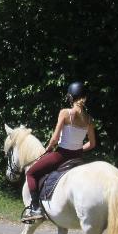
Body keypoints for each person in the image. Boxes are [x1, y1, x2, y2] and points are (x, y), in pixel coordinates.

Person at [22, 82, 96, 221]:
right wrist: (79, 149)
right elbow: (92, 144)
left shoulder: (65, 113)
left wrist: (47, 150)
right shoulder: (89, 119)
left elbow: (55, 138)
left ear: (70, 97)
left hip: (61, 156)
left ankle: (35, 208)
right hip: (78, 158)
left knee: (31, 173)